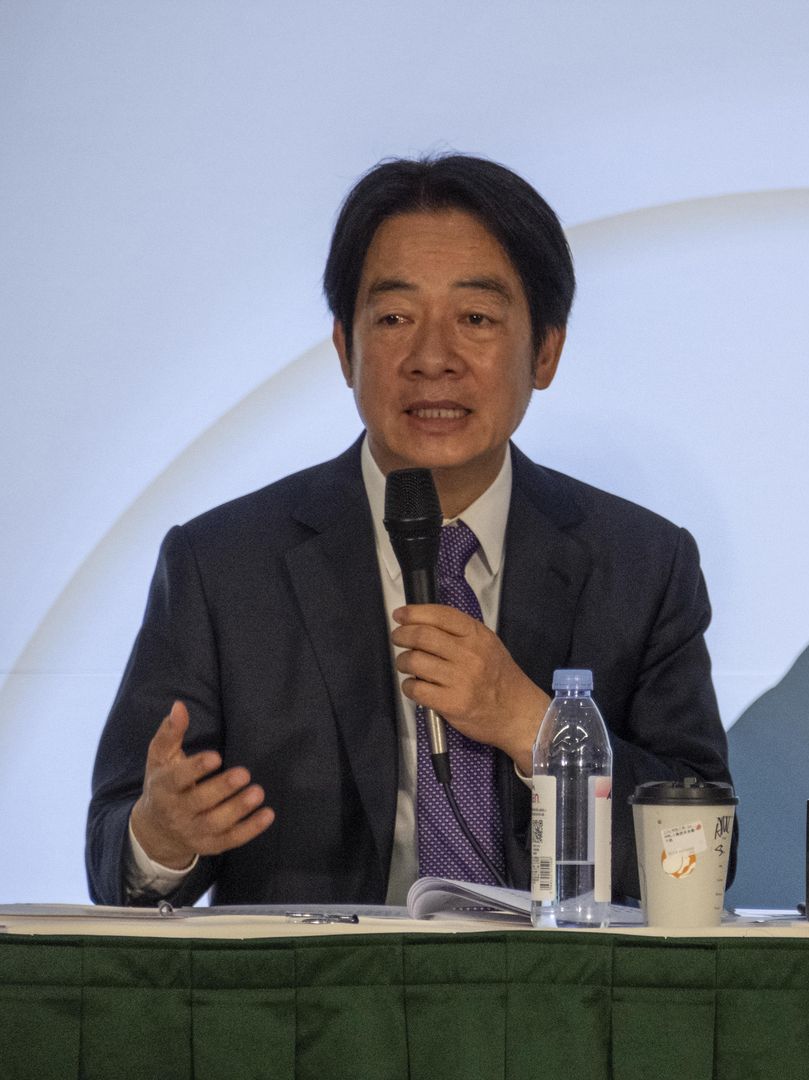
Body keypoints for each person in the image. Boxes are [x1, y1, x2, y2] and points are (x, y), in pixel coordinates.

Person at [86, 154, 731, 906]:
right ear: (344, 349)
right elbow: (116, 859)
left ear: (546, 351)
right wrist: (162, 837)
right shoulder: (223, 565)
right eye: (394, 319)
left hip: (558, 976)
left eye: (476, 319)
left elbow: (707, 854)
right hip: (317, 979)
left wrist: (536, 727)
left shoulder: (643, 564)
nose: (432, 359)